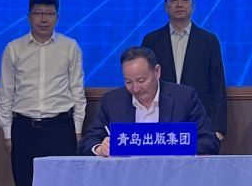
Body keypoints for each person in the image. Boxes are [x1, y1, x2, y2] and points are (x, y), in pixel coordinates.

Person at [0, 0, 85, 186]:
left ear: (57, 17)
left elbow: (77, 91)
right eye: (38, 13)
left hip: (60, 128)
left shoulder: (70, 47)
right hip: (24, 130)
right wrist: (8, 132)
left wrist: (77, 130)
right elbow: (6, 94)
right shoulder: (14, 49)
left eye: (49, 13)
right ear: (29, 17)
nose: (44, 19)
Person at [82, 46, 217, 156]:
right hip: (127, 176)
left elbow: (209, 141)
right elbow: (88, 142)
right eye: (128, 82)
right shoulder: (112, 101)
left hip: (172, 174)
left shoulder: (184, 98)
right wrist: (100, 148)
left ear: (157, 72)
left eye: (141, 81)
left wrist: (177, 147)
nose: (135, 89)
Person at [140, 0, 227, 146]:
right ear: (166, 6)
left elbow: (217, 86)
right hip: (160, 120)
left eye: (185, 0)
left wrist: (218, 128)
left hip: (199, 120)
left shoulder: (209, 41)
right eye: (174, 0)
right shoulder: (151, 41)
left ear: (193, 5)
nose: (179, 4)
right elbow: (144, 83)